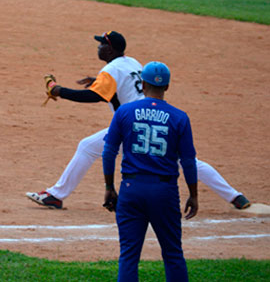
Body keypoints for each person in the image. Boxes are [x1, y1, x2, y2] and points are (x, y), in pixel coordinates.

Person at [26, 31, 250, 210]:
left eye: (101, 44)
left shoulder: (111, 70)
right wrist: (98, 81)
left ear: (110, 49)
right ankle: (235, 196)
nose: (98, 47)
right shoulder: (131, 62)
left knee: (88, 147)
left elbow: (94, 96)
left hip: (132, 126)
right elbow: (124, 84)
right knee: (184, 161)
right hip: (157, 119)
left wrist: (59, 90)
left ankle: (55, 195)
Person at [102, 61, 197, 282]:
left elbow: (109, 152)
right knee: (173, 254)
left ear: (143, 84)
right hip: (164, 191)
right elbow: (189, 161)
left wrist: (109, 186)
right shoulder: (179, 117)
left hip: (131, 189)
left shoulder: (124, 112)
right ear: (167, 86)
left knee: (129, 256)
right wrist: (194, 194)